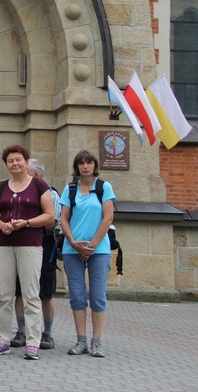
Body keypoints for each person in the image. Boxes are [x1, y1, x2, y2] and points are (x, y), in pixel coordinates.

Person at [0, 145, 54, 360]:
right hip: (5, 245)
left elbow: (49, 216)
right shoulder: (0, 187)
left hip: (30, 245)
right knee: (5, 294)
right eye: (10, 161)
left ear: (26, 162)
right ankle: (3, 339)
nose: (15, 164)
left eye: (18, 160)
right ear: (6, 165)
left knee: (30, 294)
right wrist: (2, 225)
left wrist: (26, 222)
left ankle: (33, 342)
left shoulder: (38, 185)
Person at [59, 149, 115, 358]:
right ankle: (81, 340)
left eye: (89, 162)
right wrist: (74, 243)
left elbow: (107, 218)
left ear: (94, 165)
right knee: (77, 296)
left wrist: (91, 245)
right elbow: (63, 218)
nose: (85, 166)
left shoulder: (103, 187)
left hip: (98, 250)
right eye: (81, 163)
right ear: (77, 167)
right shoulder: (70, 189)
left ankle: (97, 342)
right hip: (72, 250)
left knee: (98, 296)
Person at [10, 158, 61, 349]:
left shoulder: (50, 194)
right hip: (20, 243)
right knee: (20, 290)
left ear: (36, 175)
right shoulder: (15, 190)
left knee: (45, 292)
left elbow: (51, 222)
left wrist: (27, 221)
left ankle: (47, 333)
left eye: (26, 170)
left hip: (44, 244)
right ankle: (22, 331)